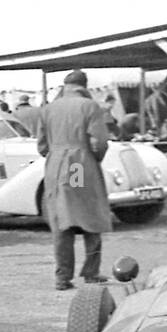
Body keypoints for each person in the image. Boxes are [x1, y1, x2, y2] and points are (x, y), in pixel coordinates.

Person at [37, 69, 111, 291]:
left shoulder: (48, 109)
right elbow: (99, 141)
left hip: (55, 166)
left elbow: (41, 145)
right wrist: (93, 158)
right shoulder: (89, 106)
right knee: (88, 211)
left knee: (62, 219)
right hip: (78, 164)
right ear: (84, 86)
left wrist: (55, 154)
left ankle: (62, 277)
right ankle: (91, 271)